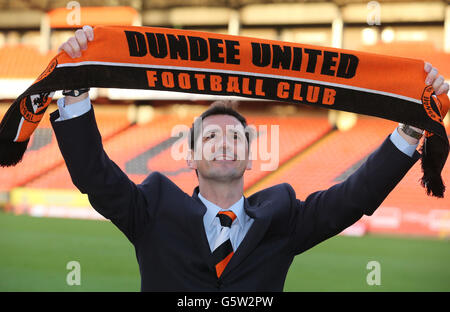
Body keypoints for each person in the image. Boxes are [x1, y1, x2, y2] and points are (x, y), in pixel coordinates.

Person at [52, 26, 449, 291]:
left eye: (234, 137)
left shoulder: (284, 218)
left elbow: (353, 198)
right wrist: (74, 89)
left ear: (249, 157)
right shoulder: (153, 208)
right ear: (189, 157)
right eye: (210, 136)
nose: (223, 143)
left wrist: (412, 126)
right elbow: (94, 175)